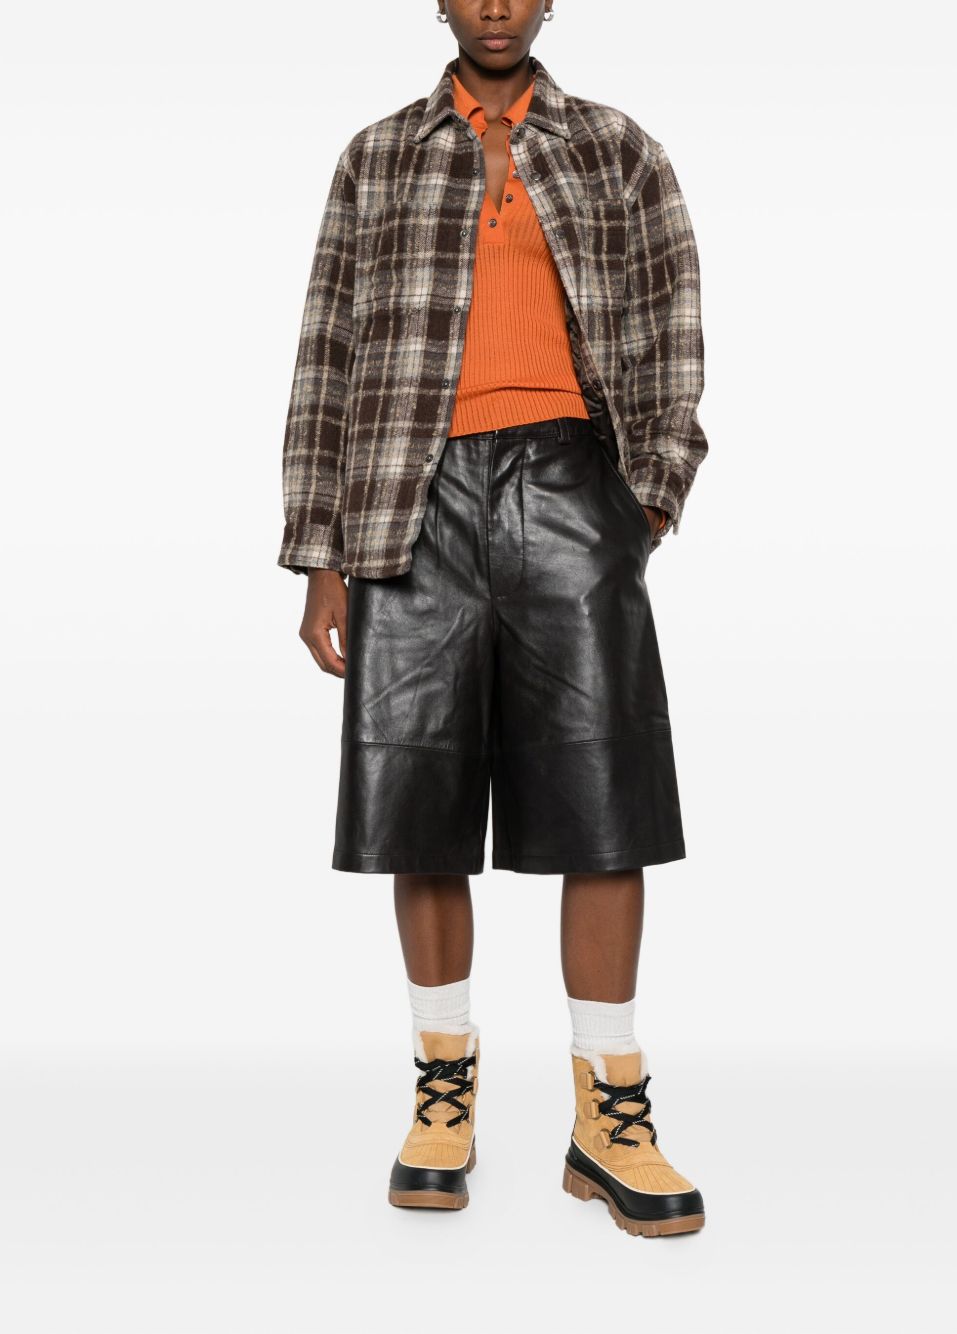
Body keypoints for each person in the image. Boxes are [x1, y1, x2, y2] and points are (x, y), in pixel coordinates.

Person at [278, 0, 708, 1237]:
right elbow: (326, 351)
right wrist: (321, 551)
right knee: (418, 806)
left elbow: (672, 320)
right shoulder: (378, 154)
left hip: (573, 485)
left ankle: (607, 1114)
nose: (498, 6)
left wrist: (645, 499)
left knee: (604, 799)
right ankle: (443, 1095)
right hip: (405, 501)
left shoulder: (617, 146)